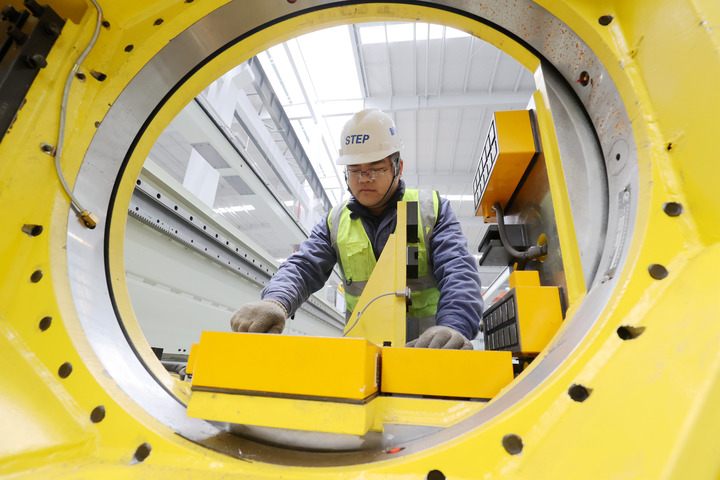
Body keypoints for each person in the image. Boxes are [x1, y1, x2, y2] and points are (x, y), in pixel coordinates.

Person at [230, 108, 483, 349]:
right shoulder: (335, 221)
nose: (364, 179)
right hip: (362, 356)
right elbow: (303, 266)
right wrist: (276, 300)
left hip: (426, 352)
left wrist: (453, 327)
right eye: (355, 170)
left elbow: (458, 271)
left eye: (375, 168)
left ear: (398, 167)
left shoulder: (430, 210)